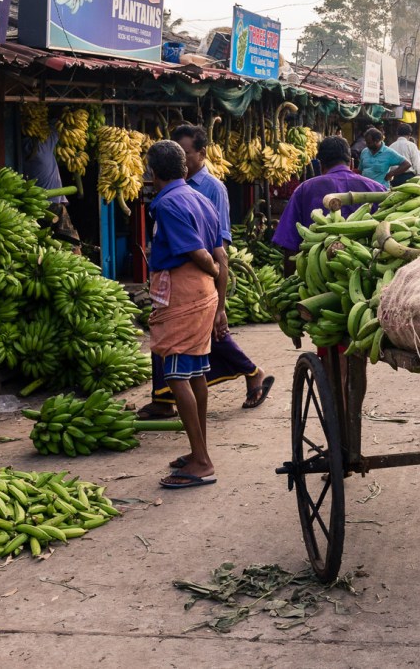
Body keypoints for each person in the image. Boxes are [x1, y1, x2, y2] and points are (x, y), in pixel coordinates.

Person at [142, 125, 273, 420]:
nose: (183, 160)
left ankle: (252, 371)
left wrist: (217, 283)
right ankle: (163, 398)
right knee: (183, 346)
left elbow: (218, 243)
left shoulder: (211, 189)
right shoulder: (177, 193)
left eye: (187, 153)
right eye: (179, 154)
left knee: (211, 336)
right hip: (179, 280)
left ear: (201, 154)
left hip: (197, 278)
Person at [145, 141, 228, 490]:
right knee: (195, 373)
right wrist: (220, 301)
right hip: (204, 294)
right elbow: (221, 253)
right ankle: (199, 451)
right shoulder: (201, 198)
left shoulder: (167, 203)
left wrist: (208, 268)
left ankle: (202, 461)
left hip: (184, 292)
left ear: (153, 172)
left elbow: (203, 255)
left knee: (177, 374)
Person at [272, 135, 384, 264]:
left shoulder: (304, 190)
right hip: (367, 270)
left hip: (316, 272)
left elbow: (289, 244)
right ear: (352, 162)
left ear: (320, 164)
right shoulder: (377, 190)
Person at [22, 121, 80, 251]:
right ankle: (78, 260)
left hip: (34, 206)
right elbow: (58, 125)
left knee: (45, 241)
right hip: (53, 206)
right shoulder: (44, 146)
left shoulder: (22, 148)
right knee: (71, 240)